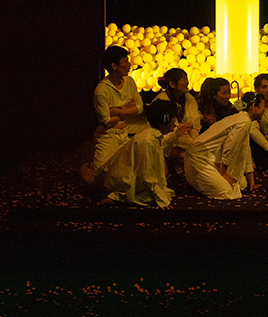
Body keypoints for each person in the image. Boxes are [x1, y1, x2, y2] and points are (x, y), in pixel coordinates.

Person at [95, 99, 191, 208]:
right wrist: (162, 200)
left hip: (133, 178)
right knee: (149, 198)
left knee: (165, 193)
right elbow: (147, 175)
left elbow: (162, 145)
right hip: (124, 182)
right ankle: (116, 198)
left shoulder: (152, 135)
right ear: (165, 120)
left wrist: (176, 133)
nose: (175, 124)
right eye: (173, 121)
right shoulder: (147, 140)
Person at [81, 45, 146, 186]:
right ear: (114, 66)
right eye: (125, 61)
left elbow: (140, 107)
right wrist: (128, 109)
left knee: (129, 174)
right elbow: (106, 121)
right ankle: (84, 169)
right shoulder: (102, 90)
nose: (129, 65)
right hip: (107, 135)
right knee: (97, 183)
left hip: (124, 133)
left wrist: (119, 111)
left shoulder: (129, 82)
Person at [184, 92, 266, 200]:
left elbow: (245, 149)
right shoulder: (244, 121)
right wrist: (223, 174)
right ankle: (199, 181)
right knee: (228, 192)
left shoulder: (242, 119)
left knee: (242, 183)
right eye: (263, 107)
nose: (264, 110)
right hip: (198, 158)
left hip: (208, 158)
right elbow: (229, 147)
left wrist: (251, 180)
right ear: (254, 106)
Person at [236, 73, 268, 171]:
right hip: (251, 140)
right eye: (264, 87)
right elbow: (253, 131)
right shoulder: (253, 105)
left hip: (266, 141)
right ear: (256, 89)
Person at [153, 67, 201, 153]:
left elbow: (193, 125)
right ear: (172, 84)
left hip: (185, 136)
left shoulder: (188, 98)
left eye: (186, 79)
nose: (187, 82)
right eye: (183, 80)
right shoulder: (162, 100)